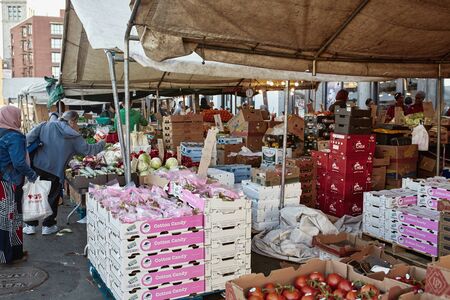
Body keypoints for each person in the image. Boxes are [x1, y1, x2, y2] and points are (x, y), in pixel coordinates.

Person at [24, 111, 105, 235]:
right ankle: (48, 226)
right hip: (55, 170)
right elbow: (89, 150)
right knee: (52, 197)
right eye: (76, 122)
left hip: (38, 166)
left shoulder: (45, 125)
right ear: (71, 121)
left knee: (35, 194)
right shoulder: (74, 136)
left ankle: (30, 226)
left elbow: (28, 139)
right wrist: (102, 143)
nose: (77, 126)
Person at [0, 106, 38, 263]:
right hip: (9, 183)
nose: (20, 120)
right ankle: (10, 255)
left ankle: (12, 253)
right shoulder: (14, 136)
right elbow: (19, 162)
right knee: (10, 218)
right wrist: (33, 175)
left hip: (2, 181)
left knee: (7, 218)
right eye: (19, 116)